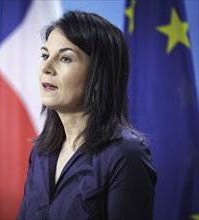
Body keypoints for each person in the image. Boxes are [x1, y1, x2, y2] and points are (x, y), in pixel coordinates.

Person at [17, 11, 157, 220]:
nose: (46, 67)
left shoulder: (126, 155)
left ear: (99, 76)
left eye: (65, 58)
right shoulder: (41, 153)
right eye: (45, 55)